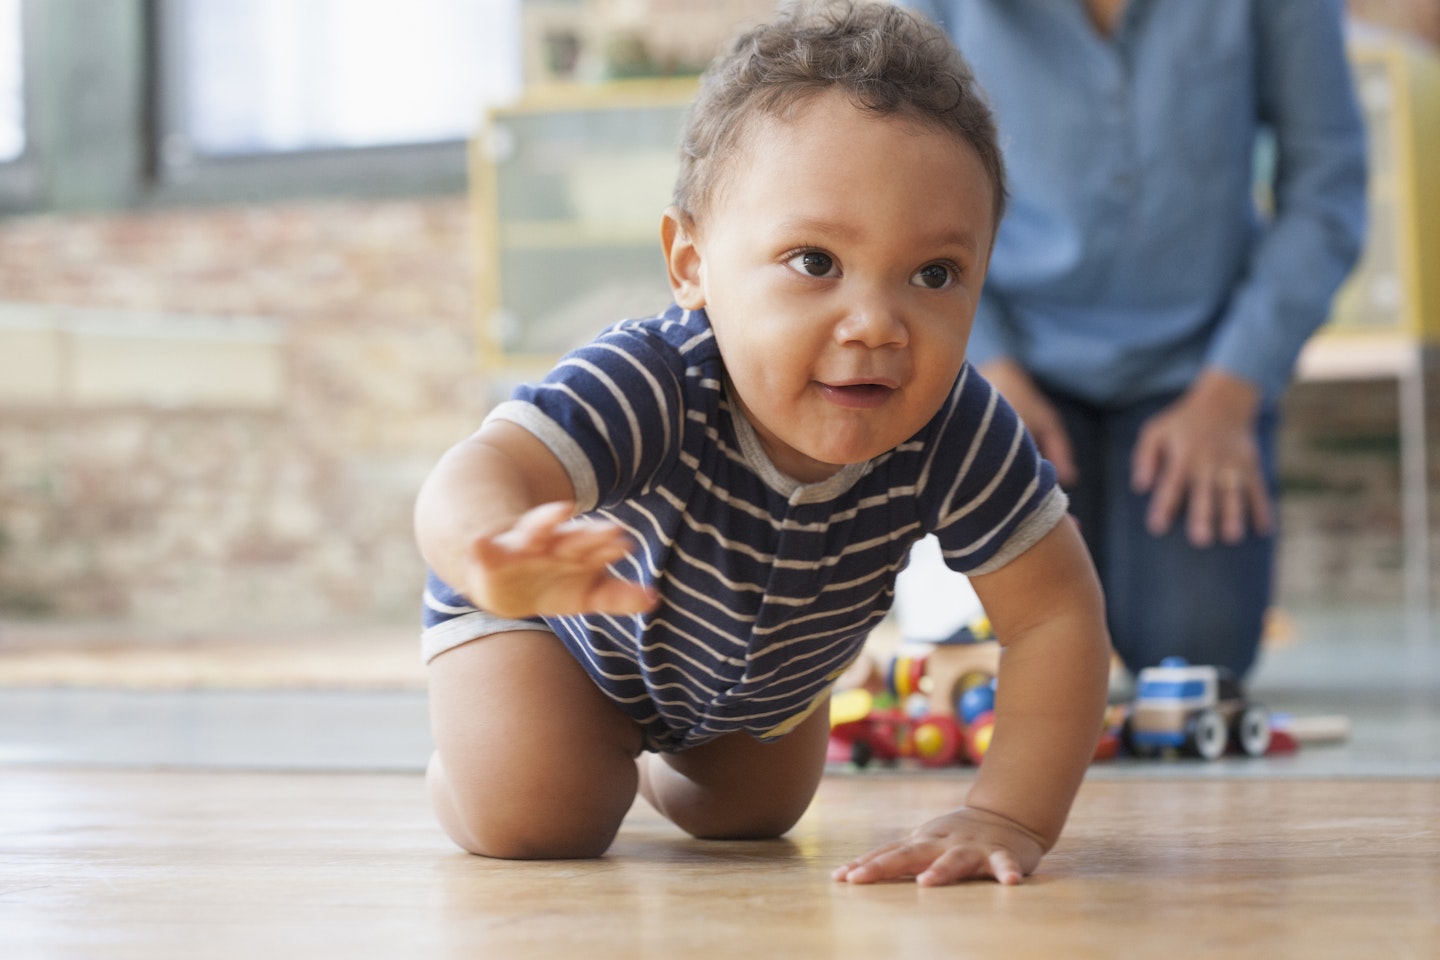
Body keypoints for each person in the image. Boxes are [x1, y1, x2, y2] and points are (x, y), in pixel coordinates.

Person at [413, 1, 1111, 887]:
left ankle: (657, 759)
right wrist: (491, 550)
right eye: (816, 262)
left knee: (750, 819)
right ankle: (474, 765)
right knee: (546, 813)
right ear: (691, 264)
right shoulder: (656, 380)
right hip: (550, 632)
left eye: (935, 274)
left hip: (752, 689)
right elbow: (478, 470)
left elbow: (1056, 616)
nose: (877, 324)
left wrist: (1004, 813)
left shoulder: (957, 428)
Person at [906, 0, 1368, 681]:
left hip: (1198, 372)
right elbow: (903, 198)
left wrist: (1231, 389)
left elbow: (1328, 191)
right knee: (987, 640)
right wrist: (985, 370)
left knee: (1195, 651)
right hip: (1002, 356)